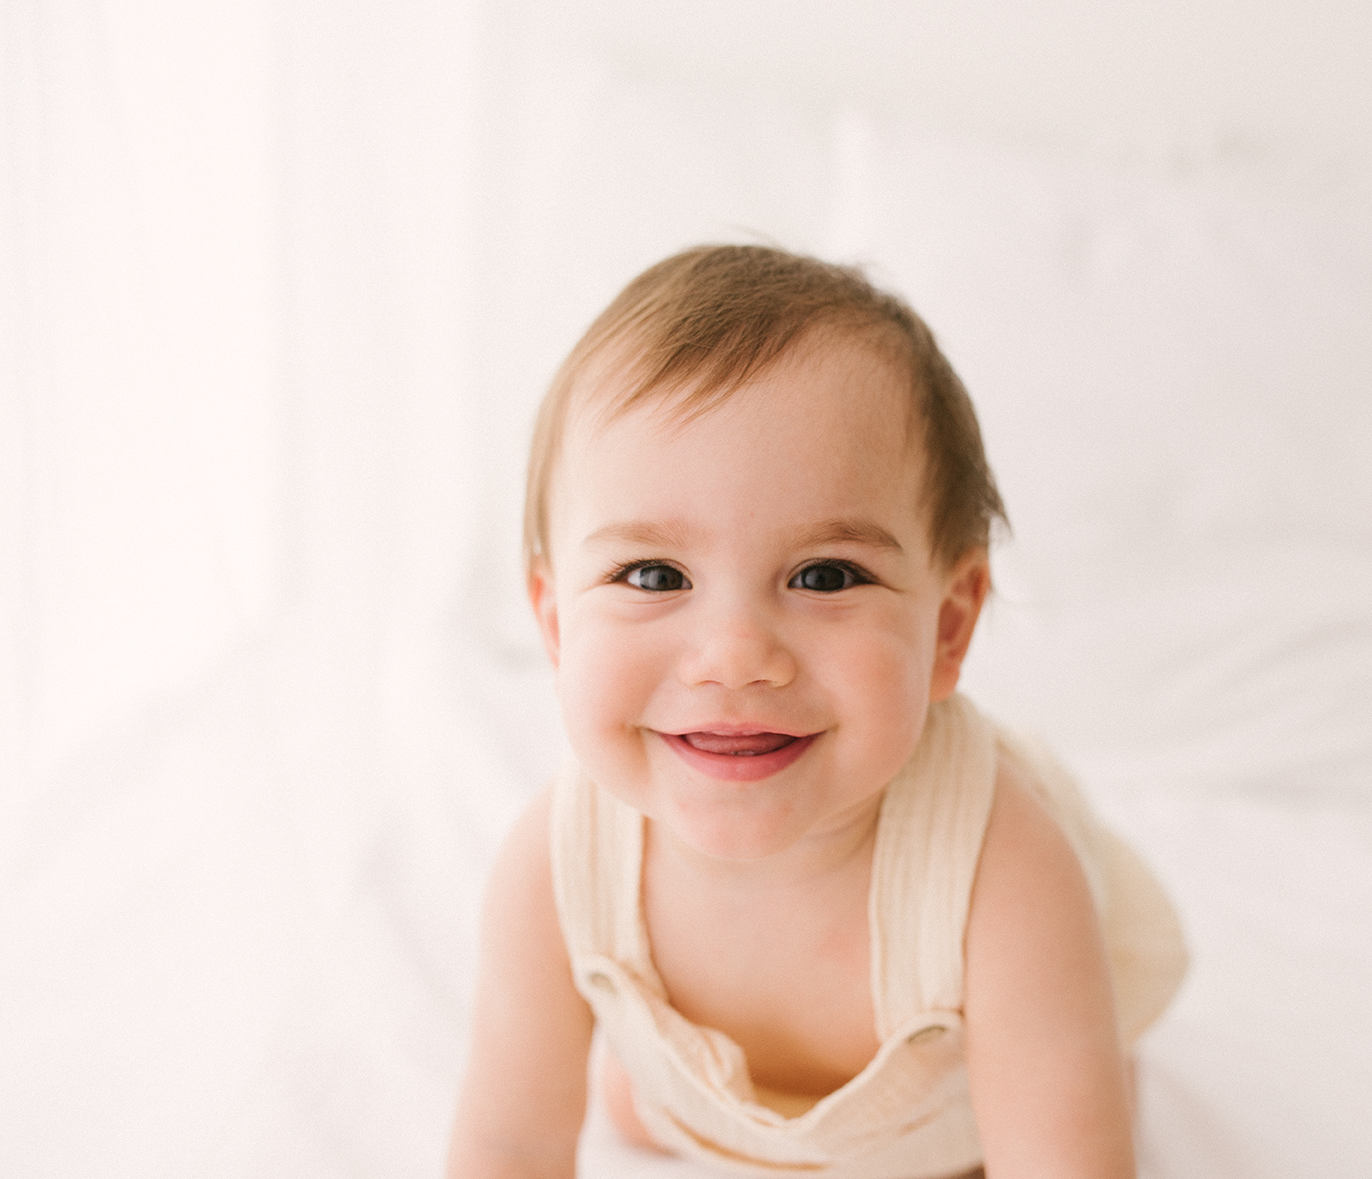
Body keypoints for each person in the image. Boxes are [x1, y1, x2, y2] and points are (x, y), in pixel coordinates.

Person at [447, 245, 1187, 1179]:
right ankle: (710, 1111)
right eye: (652, 575)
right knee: (629, 1108)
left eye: (825, 575)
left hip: (948, 1115)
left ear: (949, 627)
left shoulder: (999, 868)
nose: (734, 656)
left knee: (1065, 1109)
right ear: (555, 624)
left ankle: (1072, 1072)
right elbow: (507, 1144)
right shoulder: (553, 867)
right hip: (710, 1098)